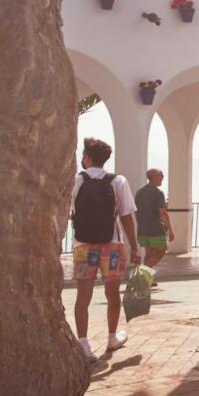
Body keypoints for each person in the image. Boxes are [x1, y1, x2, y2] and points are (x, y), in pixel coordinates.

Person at [70, 137, 140, 362]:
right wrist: (135, 247)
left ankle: (83, 344)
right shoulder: (118, 181)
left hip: (84, 245)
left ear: (88, 158)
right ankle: (112, 337)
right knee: (112, 294)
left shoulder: (77, 180)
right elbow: (127, 216)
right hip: (112, 246)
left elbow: (68, 210)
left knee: (83, 296)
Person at [134, 168, 173, 269]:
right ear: (154, 176)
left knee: (149, 253)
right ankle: (142, 273)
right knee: (162, 250)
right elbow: (163, 213)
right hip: (155, 228)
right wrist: (170, 230)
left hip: (142, 228)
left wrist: (140, 225)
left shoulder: (139, 192)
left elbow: (136, 212)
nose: (163, 178)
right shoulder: (158, 193)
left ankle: (147, 280)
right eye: (161, 175)